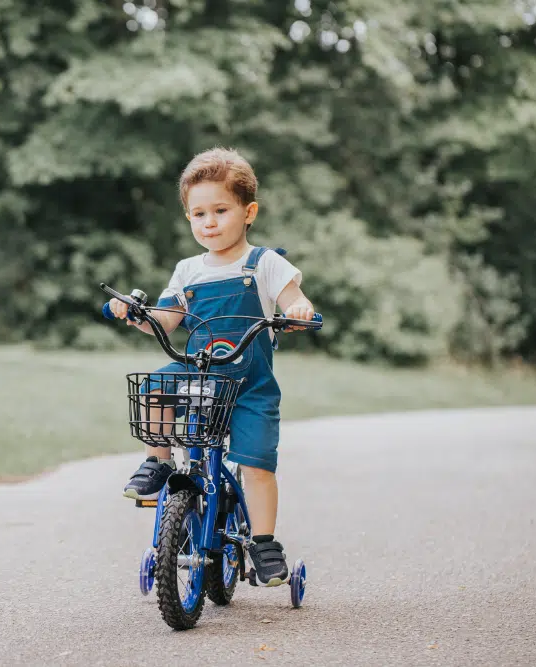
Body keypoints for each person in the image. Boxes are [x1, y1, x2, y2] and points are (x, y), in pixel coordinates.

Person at [106, 147, 315, 587]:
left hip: (250, 385)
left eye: (220, 210)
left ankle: (263, 541)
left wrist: (297, 310)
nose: (209, 222)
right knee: (155, 385)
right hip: (200, 376)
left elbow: (295, 299)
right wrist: (135, 313)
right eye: (198, 213)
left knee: (257, 465)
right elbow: (165, 321)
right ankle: (158, 461)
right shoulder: (187, 271)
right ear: (188, 218)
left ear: (248, 211)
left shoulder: (265, 264)